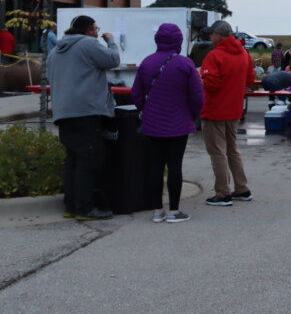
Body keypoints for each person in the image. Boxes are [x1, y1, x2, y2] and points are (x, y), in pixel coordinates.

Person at [48, 15, 120, 221]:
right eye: (96, 29)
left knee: (73, 159)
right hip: (85, 111)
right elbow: (112, 60)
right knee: (89, 160)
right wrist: (111, 41)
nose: (97, 32)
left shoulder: (56, 51)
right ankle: (85, 208)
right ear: (89, 30)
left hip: (63, 112)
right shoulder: (88, 44)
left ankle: (71, 205)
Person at [131, 23, 204, 224]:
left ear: (158, 40)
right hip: (179, 124)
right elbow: (197, 97)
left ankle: (157, 210)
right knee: (175, 166)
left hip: (152, 124)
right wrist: (192, 115)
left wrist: (146, 109)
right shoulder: (185, 64)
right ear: (178, 41)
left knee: (154, 166)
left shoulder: (147, 62)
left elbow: (136, 95)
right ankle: (174, 210)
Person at [200, 20, 256, 206]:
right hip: (234, 109)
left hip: (215, 110)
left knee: (218, 152)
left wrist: (199, 79)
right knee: (232, 150)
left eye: (211, 34)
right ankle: (242, 188)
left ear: (218, 36)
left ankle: (223, 193)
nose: (210, 37)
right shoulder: (244, 54)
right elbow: (250, 80)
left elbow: (211, 84)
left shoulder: (214, 55)